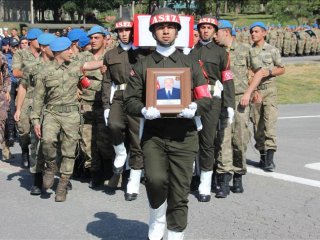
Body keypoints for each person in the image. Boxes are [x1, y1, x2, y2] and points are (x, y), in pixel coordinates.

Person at [124, 8, 212, 239]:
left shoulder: (191, 62)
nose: (165, 31)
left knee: (180, 190)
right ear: (153, 32)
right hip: (154, 135)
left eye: (170, 27)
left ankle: (175, 232)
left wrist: (195, 108)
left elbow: (205, 98)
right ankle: (157, 216)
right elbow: (129, 100)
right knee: (154, 180)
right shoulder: (143, 64)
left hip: (184, 135)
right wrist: (143, 110)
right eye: (160, 27)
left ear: (177, 31)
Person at [214, 20, 264, 194]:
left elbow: (259, 71)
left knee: (240, 138)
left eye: (217, 32)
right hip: (222, 101)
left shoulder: (245, 49)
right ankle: (224, 177)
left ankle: (238, 174)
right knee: (223, 138)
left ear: (225, 32)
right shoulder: (214, 51)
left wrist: (249, 92)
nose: (214, 35)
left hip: (240, 100)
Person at [102, 17, 149, 201]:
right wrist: (106, 105)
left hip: (137, 97)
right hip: (119, 97)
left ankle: (133, 183)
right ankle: (121, 153)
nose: (124, 34)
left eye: (127, 30)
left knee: (137, 141)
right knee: (113, 125)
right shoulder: (110, 54)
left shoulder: (143, 54)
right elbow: (107, 82)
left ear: (133, 32)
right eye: (120, 31)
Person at [30, 37, 82, 202]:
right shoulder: (44, 71)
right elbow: (38, 98)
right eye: (69, 49)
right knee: (47, 141)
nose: (72, 52)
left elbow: (91, 65)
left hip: (71, 115)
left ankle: (63, 185)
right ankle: (51, 166)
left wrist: (104, 65)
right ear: (60, 51)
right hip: (52, 113)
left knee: (69, 151)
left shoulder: (74, 65)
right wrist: (36, 120)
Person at [190, 15, 235, 202]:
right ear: (198, 30)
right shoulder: (190, 53)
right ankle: (193, 177)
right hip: (194, 100)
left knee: (208, 141)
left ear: (215, 32)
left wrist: (229, 104)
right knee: (191, 140)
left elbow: (228, 79)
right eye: (202, 27)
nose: (205, 30)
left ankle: (205, 184)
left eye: (209, 28)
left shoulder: (221, 53)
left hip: (213, 100)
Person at [249, 22, 285, 171]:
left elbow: (282, 69)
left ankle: (270, 161)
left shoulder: (272, 50)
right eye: (252, 32)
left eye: (256, 31)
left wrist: (269, 72)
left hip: (269, 90)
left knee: (269, 124)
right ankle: (263, 157)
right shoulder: (248, 51)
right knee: (257, 126)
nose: (253, 34)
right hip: (255, 91)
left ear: (264, 33)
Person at [13, 28, 43, 168]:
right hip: (25, 95)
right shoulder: (21, 54)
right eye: (39, 38)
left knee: (39, 129)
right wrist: (31, 71)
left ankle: (36, 156)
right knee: (23, 129)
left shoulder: (45, 54)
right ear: (31, 40)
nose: (42, 41)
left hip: (41, 96)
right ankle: (24, 150)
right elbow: (16, 72)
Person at [0, 50, 11, 161]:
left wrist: (7, 91)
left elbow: (7, 75)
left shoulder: (1, 57)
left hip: (1, 94)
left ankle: (5, 148)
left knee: (3, 121)